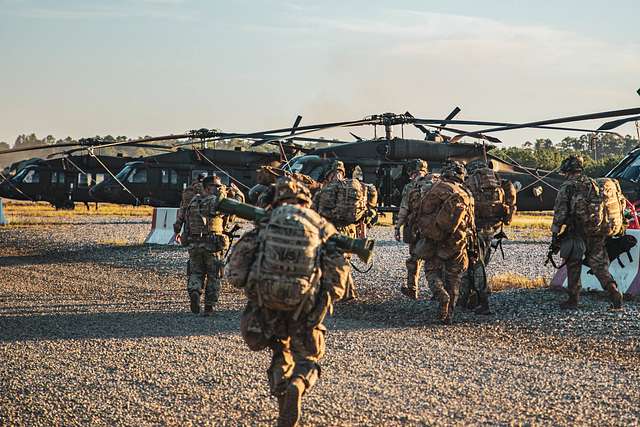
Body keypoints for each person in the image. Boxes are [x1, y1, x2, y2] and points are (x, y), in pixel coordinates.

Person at [226, 177, 350, 427]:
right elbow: (338, 271)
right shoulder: (320, 225)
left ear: (276, 199)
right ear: (307, 199)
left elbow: (235, 274)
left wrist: (256, 288)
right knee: (308, 357)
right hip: (304, 305)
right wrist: (326, 298)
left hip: (267, 303)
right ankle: (299, 383)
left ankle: (284, 401)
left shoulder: (266, 222)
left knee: (279, 351)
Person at [550, 155, 623, 310]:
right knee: (599, 265)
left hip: (577, 232)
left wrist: (555, 234)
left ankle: (573, 299)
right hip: (597, 231)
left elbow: (560, 213)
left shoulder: (567, 186)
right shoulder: (593, 184)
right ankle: (613, 291)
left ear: (567, 170)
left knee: (573, 264)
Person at [413, 160, 476, 324]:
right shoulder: (466, 193)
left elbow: (421, 211)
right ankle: (449, 315)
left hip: (435, 238)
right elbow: (471, 222)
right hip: (457, 241)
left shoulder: (435, 188)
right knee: (454, 277)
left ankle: (441, 294)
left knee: (431, 270)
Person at [173, 175, 238, 316]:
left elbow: (181, 220)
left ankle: (195, 291)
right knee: (214, 275)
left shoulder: (193, 201)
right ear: (209, 188)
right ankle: (209, 307)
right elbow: (232, 213)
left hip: (194, 244)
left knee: (196, 272)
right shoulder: (215, 202)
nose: (220, 188)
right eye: (218, 186)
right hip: (212, 244)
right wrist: (237, 194)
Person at [460, 159, 517, 314]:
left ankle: (482, 301)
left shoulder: (470, 182)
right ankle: (470, 298)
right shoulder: (498, 181)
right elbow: (510, 201)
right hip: (492, 228)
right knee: (482, 261)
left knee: (476, 264)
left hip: (475, 229)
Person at [313, 160, 368, 300]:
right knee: (344, 261)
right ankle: (348, 293)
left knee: (332, 261)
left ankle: (342, 293)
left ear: (330, 174)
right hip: (350, 229)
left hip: (333, 229)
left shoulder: (327, 189)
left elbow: (318, 212)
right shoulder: (355, 186)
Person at [394, 159, 439, 299]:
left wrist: (397, 227)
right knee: (435, 260)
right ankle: (437, 292)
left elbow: (404, 208)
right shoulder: (437, 182)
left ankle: (412, 289)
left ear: (411, 173)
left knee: (414, 259)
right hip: (434, 228)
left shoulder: (410, 186)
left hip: (416, 228)